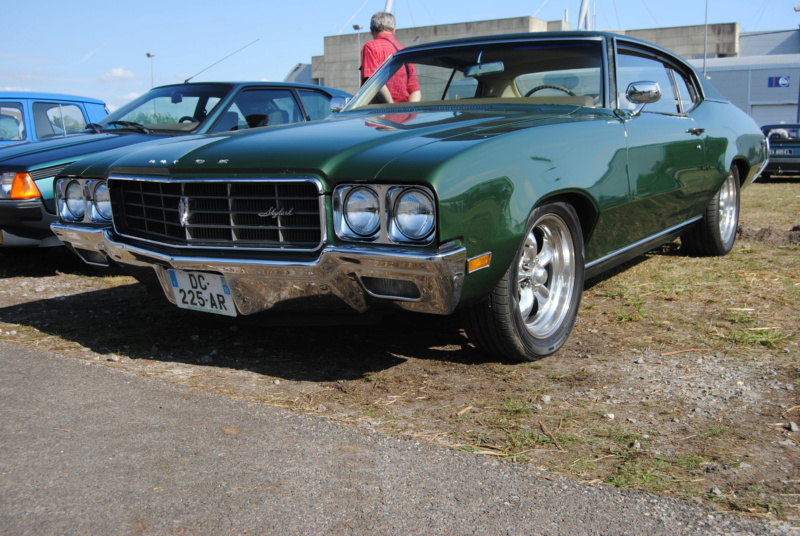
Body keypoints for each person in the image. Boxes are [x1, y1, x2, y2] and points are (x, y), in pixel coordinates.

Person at [360, 12, 421, 103]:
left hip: (379, 112)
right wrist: (409, 111)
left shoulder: (370, 47)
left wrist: (391, 107)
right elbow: (415, 90)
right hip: (404, 114)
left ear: (371, 30)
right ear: (394, 30)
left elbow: (373, 81)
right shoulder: (405, 53)